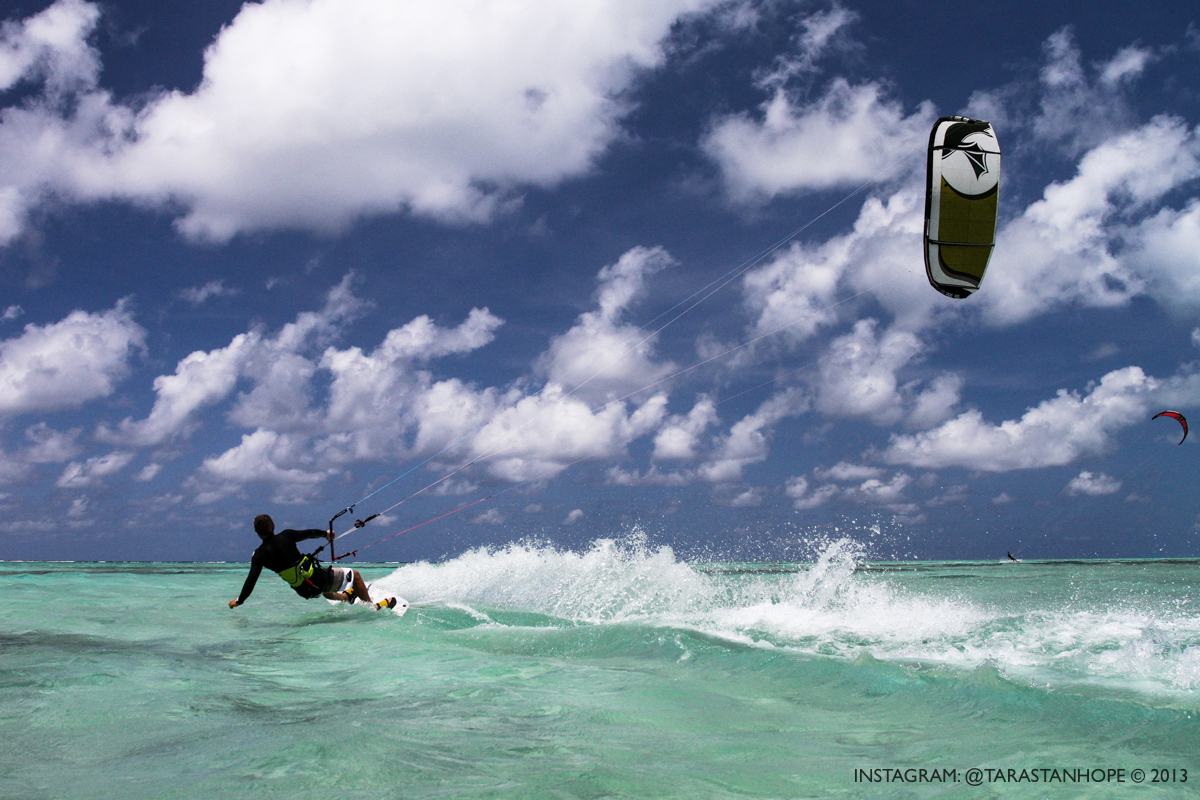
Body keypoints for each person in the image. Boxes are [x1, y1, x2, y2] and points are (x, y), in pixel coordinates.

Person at [228, 514, 396, 611]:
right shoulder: (286, 536)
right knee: (355, 576)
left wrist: (240, 601)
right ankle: (372, 608)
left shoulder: (258, 555)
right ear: (272, 525)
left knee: (320, 582)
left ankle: (345, 597)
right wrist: (326, 534)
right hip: (318, 580)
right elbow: (310, 533)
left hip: (304, 591)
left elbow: (251, 581)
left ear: (257, 532)